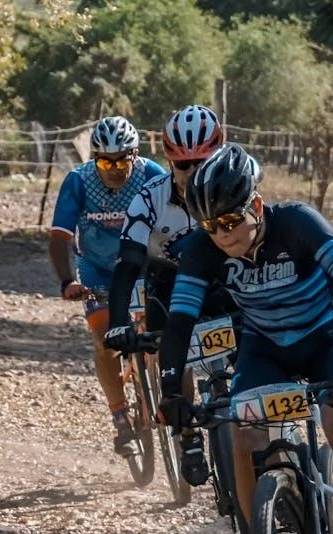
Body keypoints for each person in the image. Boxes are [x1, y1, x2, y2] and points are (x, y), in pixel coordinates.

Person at [152, 143, 333, 534]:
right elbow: (179, 324)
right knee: (244, 437)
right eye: (211, 227)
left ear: (257, 205)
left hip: (328, 337)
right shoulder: (203, 250)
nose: (223, 236)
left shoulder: (297, 224)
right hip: (265, 348)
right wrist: (172, 393)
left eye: (231, 222)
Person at [103, 104, 229, 485]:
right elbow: (127, 265)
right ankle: (188, 432)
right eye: (183, 165)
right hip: (169, 282)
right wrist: (118, 323)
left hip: (224, 280)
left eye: (202, 163)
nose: (191, 174)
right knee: (168, 343)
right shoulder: (148, 199)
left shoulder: (234, 188)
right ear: (169, 160)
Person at [49, 116, 167, 456]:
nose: (114, 169)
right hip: (97, 268)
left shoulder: (152, 176)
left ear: (136, 154)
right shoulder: (79, 181)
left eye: (122, 160)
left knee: (158, 333)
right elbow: (60, 238)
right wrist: (68, 280)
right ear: (94, 159)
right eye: (105, 161)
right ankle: (119, 415)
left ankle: (156, 389)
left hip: (143, 265)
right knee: (105, 340)